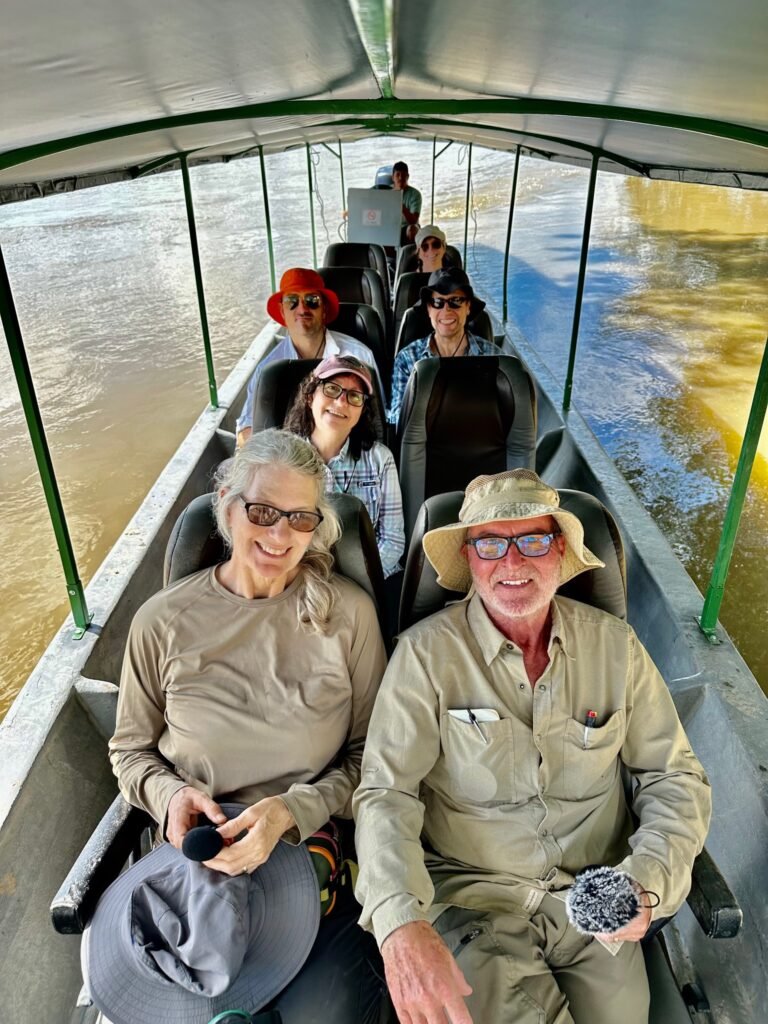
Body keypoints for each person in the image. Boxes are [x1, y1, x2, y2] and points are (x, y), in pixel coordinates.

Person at [353, 468, 712, 1024]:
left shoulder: (616, 646)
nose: (512, 563)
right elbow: (385, 794)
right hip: (477, 904)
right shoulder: (424, 657)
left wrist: (649, 879)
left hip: (599, 906)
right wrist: (400, 922)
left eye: (533, 540)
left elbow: (674, 777)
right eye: (490, 543)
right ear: (469, 559)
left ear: (560, 549)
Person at [107, 429, 388, 1023]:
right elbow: (130, 752)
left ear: (317, 525)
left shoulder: (351, 617)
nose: (280, 534)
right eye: (262, 511)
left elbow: (376, 760)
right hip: (193, 865)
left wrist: (292, 810)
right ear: (226, 504)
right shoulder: (161, 622)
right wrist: (172, 795)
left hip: (310, 855)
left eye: (300, 517)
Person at [284, 354, 405, 580]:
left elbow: (392, 541)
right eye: (332, 389)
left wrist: (356, 581)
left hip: (367, 578)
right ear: (310, 396)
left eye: (354, 396)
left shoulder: (381, 459)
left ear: (362, 411)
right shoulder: (281, 459)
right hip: (300, 579)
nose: (341, 402)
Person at [236, 268, 377, 446]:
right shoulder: (269, 369)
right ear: (282, 311)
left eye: (312, 301)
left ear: (324, 309)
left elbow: (375, 421)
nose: (302, 309)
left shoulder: (359, 356)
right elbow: (247, 428)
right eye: (292, 301)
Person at [387, 267, 498, 426]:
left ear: (468, 307)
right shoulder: (406, 359)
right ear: (428, 309)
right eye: (437, 302)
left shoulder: (493, 357)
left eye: (456, 301)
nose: (446, 310)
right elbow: (398, 418)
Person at [392, 160, 422, 244]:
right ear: (392, 177)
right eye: (397, 175)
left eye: (404, 175)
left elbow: (414, 221)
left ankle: (410, 255)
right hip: (391, 227)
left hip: (407, 227)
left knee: (412, 229)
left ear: (408, 176)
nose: (401, 178)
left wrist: (402, 207)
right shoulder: (387, 194)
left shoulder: (415, 194)